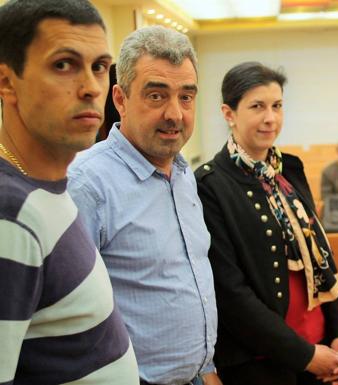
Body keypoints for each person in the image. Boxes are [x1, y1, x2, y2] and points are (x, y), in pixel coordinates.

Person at [67, 26, 220, 385]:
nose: (175, 114)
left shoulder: (184, 175)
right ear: (119, 99)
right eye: (156, 96)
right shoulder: (86, 186)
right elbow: (62, 317)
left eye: (186, 97)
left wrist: (206, 367)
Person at [0, 0, 139, 383]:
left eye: (99, 68)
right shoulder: (10, 211)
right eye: (64, 65)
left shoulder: (46, 187)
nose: (92, 88)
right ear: (7, 81)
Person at [195, 62, 338, 385]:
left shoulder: (290, 169)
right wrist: (307, 356)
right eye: (257, 107)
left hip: (320, 347)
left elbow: (321, 253)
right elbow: (231, 293)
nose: (271, 118)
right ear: (229, 113)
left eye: (277, 106)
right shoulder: (210, 185)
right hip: (262, 361)